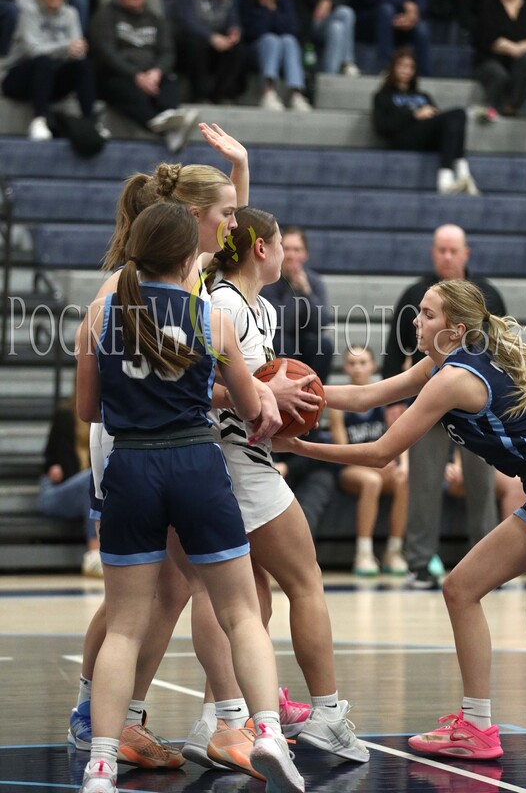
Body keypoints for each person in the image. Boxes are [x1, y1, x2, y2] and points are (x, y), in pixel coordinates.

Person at [69, 127, 313, 772]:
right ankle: (112, 710)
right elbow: (116, 393)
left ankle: (135, 719)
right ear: (195, 223)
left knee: (168, 591)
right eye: (226, 214)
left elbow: (241, 249)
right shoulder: (126, 294)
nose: (235, 226)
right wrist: (256, 395)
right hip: (138, 435)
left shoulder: (185, 272)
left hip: (148, 437)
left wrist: (241, 165)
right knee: (156, 595)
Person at [277, 277, 526, 761]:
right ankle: (477, 726)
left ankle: (477, 726)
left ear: (455, 330)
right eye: (418, 312)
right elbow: (365, 396)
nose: (415, 321)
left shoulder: (455, 379)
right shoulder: (440, 365)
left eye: (428, 315)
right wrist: (292, 388)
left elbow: (379, 453)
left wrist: (298, 446)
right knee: (460, 588)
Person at [203, 206, 370, 769]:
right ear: (261, 250)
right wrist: (273, 402)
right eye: (278, 244)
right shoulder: (223, 303)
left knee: (252, 600)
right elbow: (208, 388)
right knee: (306, 580)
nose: (285, 254)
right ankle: (327, 714)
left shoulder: (262, 309)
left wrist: (283, 402)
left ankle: (224, 719)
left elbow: (262, 389)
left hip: (243, 456)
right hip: (235, 460)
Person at [381, 223, 506, 589]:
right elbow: (395, 351)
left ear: (466, 253)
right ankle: (419, 564)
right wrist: (394, 406)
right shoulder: (415, 294)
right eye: (441, 250)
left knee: (481, 483)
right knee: (422, 481)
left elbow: (501, 351)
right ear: (433, 253)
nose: (447, 256)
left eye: (454, 250)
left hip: (476, 406)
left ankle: (490, 563)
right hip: (429, 402)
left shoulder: (488, 296)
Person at [329, 346, 408, 576]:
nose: (358, 368)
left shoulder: (384, 398)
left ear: (373, 367)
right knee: (372, 481)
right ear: (345, 368)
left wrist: (401, 465)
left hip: (380, 464)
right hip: (351, 468)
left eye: (363, 362)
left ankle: (394, 552)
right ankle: (363, 553)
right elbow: (342, 451)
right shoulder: (338, 403)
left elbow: (401, 438)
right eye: (352, 363)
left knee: (404, 479)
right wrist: (375, 464)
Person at [88, 0, 198, 152]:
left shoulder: (155, 19)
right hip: (119, 74)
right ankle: (163, 125)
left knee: (171, 80)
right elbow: (106, 53)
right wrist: (135, 75)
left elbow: (168, 52)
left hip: (151, 74)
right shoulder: (105, 16)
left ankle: (169, 117)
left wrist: (157, 72)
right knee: (122, 87)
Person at [373, 47, 480, 195]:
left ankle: (458, 175)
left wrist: (431, 114)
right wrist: (414, 115)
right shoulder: (383, 96)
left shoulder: (423, 95)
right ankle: (454, 175)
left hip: (427, 137)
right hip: (403, 137)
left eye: (411, 67)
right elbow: (381, 128)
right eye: (402, 66)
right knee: (455, 116)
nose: (407, 70)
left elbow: (439, 121)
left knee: (458, 115)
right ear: (393, 67)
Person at [1, 0, 98, 141]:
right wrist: (66, 48)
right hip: (19, 77)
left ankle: (91, 121)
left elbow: (76, 53)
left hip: (51, 80)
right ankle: (39, 120)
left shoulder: (71, 13)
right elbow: (33, 50)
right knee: (43, 62)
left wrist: (78, 49)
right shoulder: (29, 12)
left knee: (83, 65)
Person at [38, 388, 102, 579]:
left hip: (85, 492)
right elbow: (49, 458)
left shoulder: (105, 419)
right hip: (56, 491)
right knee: (92, 478)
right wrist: (54, 468)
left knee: (94, 481)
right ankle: (93, 552)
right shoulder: (65, 415)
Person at [262, 225, 333, 384]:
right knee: (282, 342)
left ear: (305, 255)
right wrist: (294, 290)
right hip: (277, 340)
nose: (291, 255)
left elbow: (322, 323)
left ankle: (314, 394)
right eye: (286, 249)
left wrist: (307, 292)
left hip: (304, 341)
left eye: (296, 249)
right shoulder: (268, 279)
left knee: (323, 345)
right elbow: (280, 324)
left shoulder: (314, 281)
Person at [240, 0, 312, 111]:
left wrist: (273, 9)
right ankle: (268, 92)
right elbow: (253, 31)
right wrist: (264, 9)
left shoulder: (284, 1)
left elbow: (292, 29)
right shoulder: (248, 2)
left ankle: (296, 94)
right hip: (256, 49)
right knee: (271, 40)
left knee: (289, 40)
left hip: (282, 49)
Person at [170, 0, 246, 104]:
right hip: (189, 46)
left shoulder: (226, 0)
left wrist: (233, 31)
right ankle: (200, 96)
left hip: (217, 45)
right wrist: (211, 37)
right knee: (196, 42)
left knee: (237, 46)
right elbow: (189, 23)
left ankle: (223, 95)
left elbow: (234, 21)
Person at [472, 0, 526, 117]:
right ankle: (492, 110)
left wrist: (520, 48)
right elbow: (486, 37)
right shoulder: (487, 3)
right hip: (490, 58)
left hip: (522, 58)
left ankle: (513, 106)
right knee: (499, 74)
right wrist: (514, 48)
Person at [355, 0, 431, 76]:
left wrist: (410, 17)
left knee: (422, 28)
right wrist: (403, 4)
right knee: (386, 10)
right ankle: (386, 67)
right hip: (371, 19)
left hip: (402, 18)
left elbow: (421, 4)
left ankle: (424, 74)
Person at [294, 0, 359, 75]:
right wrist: (321, 1)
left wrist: (330, 1)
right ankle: (347, 61)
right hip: (310, 21)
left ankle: (331, 72)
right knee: (346, 13)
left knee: (336, 28)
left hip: (330, 18)